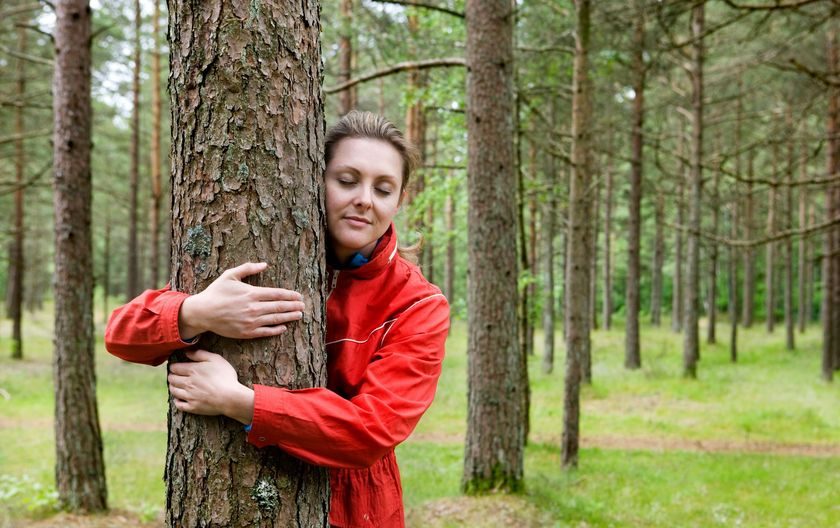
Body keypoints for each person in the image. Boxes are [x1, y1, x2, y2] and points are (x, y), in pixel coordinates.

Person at [105, 111, 450, 528]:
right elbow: (121, 334)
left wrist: (239, 401)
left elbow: (371, 431)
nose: (364, 198)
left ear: (399, 200)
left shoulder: (418, 304)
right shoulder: (264, 255)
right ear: (313, 178)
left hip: (358, 508)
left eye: (383, 188)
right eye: (346, 180)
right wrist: (198, 312)